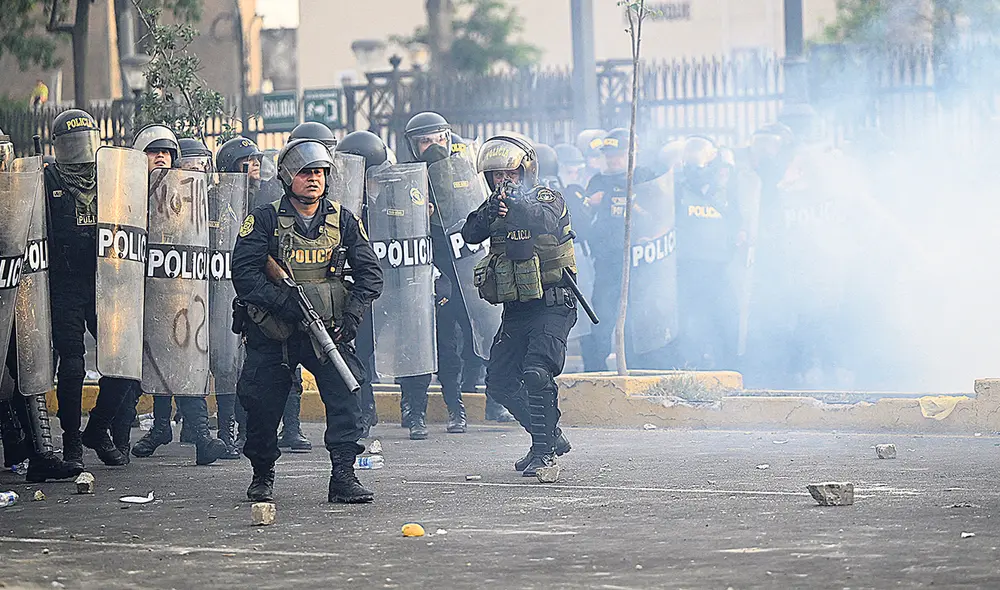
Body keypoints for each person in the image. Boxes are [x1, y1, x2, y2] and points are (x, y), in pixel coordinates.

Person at [232, 138, 383, 503]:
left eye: (318, 172)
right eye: (304, 172)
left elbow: (371, 274)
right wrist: (283, 302)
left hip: (326, 330)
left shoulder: (343, 219)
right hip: (275, 332)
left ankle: (343, 476)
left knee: (347, 396)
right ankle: (262, 475)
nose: (313, 179)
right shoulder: (265, 219)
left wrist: (352, 314)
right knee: (263, 404)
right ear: (287, 177)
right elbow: (244, 272)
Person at [460, 132, 577, 477]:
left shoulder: (547, 197)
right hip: (517, 309)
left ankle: (544, 455)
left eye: (510, 174)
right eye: (497, 175)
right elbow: (469, 233)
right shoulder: (494, 204)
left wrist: (516, 204)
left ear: (525, 171)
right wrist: (489, 212)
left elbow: (544, 220)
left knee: (537, 373)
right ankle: (548, 437)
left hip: (553, 303)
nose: (504, 181)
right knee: (499, 381)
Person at [124, 125, 227, 466]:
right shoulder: (128, 191)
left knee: (180, 359)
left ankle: (197, 437)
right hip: (138, 293)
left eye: (167, 152)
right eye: (155, 152)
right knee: (143, 368)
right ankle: (124, 434)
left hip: (178, 289)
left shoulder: (184, 193)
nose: (163, 157)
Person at [45, 109, 136, 467]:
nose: (81, 151)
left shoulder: (111, 177)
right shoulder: (46, 178)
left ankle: (97, 428)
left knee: (123, 363)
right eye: (73, 143)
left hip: (106, 283)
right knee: (71, 367)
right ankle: (71, 444)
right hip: (65, 284)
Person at [334, 130, 395, 437]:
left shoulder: (389, 202)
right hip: (344, 288)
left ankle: (365, 410)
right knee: (352, 351)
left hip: (376, 290)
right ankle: (361, 409)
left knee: (365, 351)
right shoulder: (341, 204)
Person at [579, 128, 655, 372]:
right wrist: (591, 205)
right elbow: (583, 219)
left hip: (639, 263)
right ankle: (595, 369)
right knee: (600, 315)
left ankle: (636, 368)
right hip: (605, 262)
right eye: (608, 154)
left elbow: (658, 214)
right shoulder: (597, 182)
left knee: (636, 318)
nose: (612, 159)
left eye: (618, 154)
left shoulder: (644, 177)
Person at [672, 137, 743, 369]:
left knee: (725, 319)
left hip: (719, 269)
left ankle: (728, 368)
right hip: (685, 268)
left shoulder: (727, 192)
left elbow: (740, 224)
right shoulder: (677, 190)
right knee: (686, 322)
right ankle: (688, 365)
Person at [213, 136, 263, 454]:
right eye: (249, 161)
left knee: (251, 367)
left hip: (255, 290)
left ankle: (248, 432)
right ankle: (225, 431)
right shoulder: (215, 199)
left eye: (258, 159)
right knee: (225, 364)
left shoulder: (265, 200)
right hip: (220, 289)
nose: (256, 164)